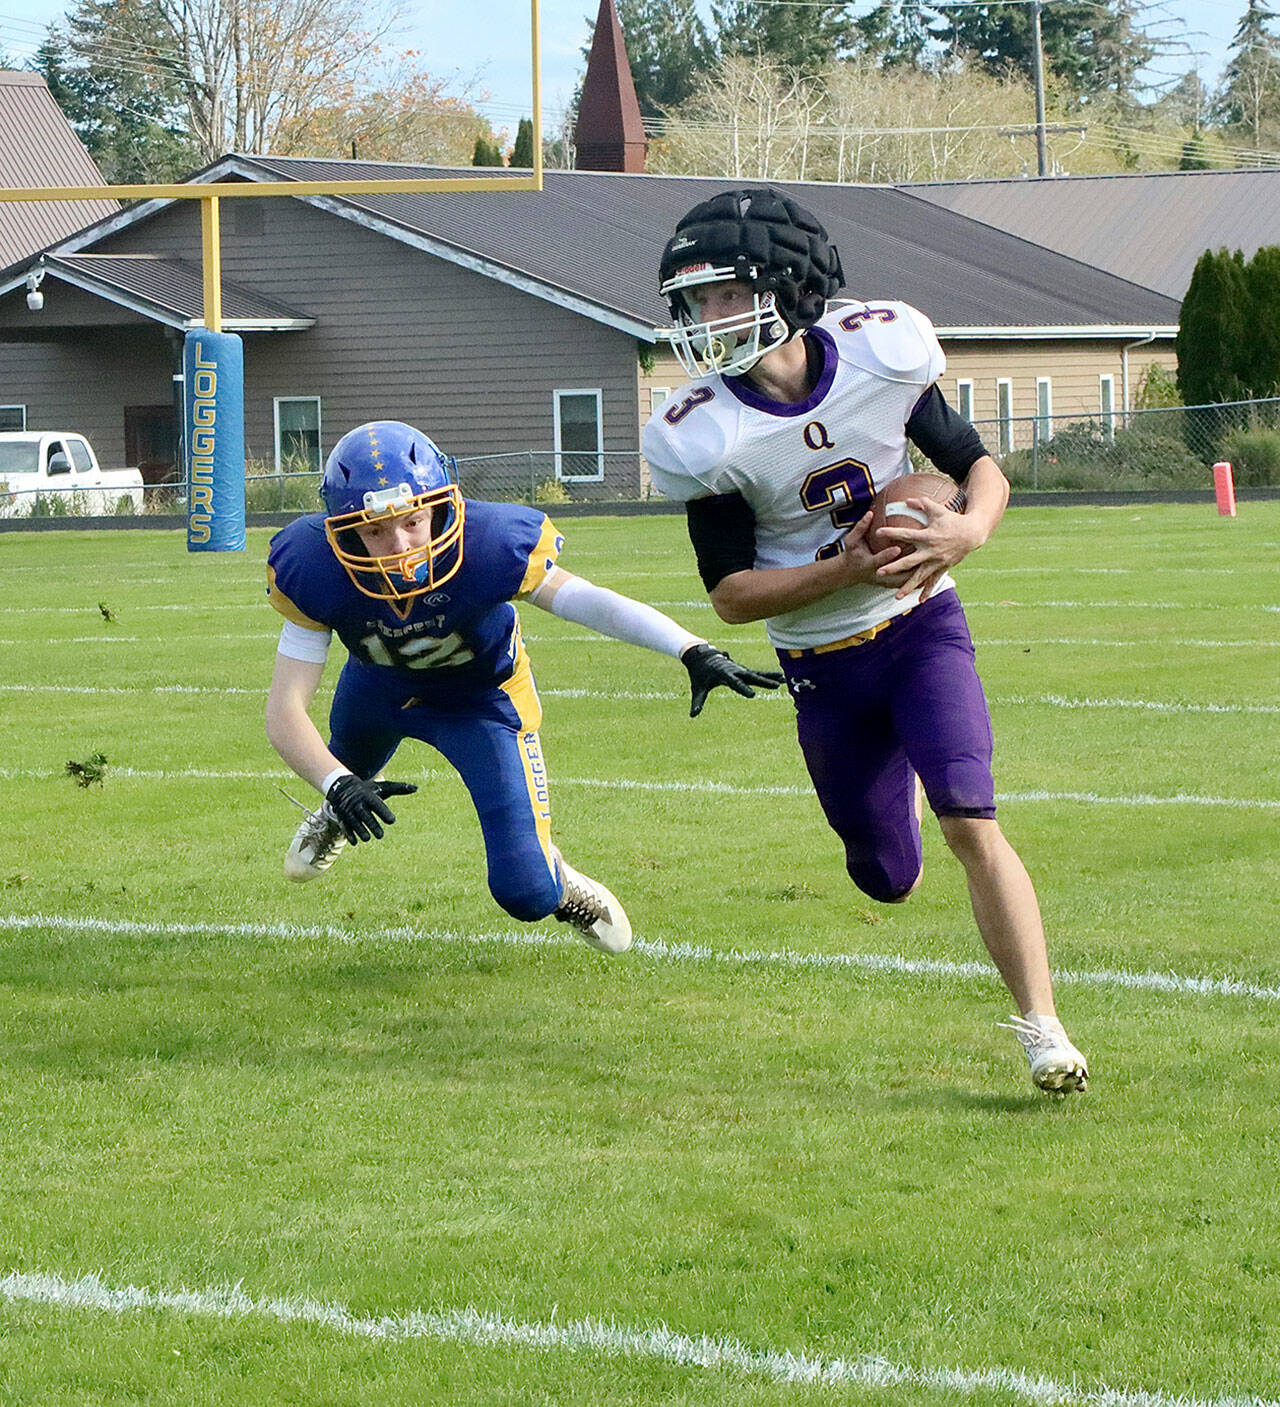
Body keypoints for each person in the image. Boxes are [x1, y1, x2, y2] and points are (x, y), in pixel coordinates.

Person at [641, 187, 1088, 1094]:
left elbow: (979, 469)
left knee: (972, 818)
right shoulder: (707, 432)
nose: (707, 318)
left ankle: (1044, 1028)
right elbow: (730, 597)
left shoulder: (881, 352)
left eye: (725, 294)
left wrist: (969, 531)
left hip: (922, 625)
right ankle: (898, 800)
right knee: (887, 876)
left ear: (786, 287)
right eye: (696, 300)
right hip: (821, 663)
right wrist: (846, 568)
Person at [264, 419, 782, 955]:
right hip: (377, 690)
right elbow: (284, 711)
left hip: (482, 702)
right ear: (343, 531)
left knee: (526, 892)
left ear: (441, 506)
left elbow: (586, 600)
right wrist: (337, 785)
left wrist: (688, 647)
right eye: (375, 531)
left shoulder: (489, 543)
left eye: (413, 521)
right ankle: (336, 809)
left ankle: (559, 879)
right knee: (340, 769)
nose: (400, 545)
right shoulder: (311, 565)